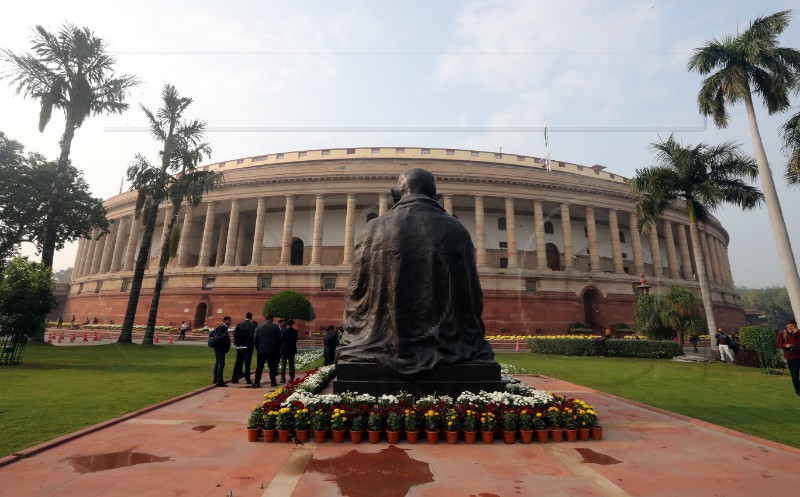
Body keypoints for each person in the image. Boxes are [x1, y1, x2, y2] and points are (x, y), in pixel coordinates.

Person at [337, 168, 495, 377]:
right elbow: (471, 294)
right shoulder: (457, 230)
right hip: (450, 345)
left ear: (395, 195)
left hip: (376, 345)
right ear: (435, 197)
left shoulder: (371, 229)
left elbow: (355, 292)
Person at [252, 313, 282, 388]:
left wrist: (258, 348)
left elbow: (256, 339)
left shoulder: (259, 326)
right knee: (272, 367)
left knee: (259, 367)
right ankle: (273, 381)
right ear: (272, 319)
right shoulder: (275, 327)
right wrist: (277, 350)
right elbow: (278, 340)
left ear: (265, 318)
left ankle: (256, 382)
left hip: (261, 350)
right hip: (272, 350)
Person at [775, 319, 800, 399]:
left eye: (794, 325)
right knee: (795, 376)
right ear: (787, 325)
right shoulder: (783, 333)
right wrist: (786, 345)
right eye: (791, 325)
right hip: (791, 357)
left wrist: (797, 332)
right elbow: (778, 343)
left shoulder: (798, 332)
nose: (792, 327)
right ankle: (798, 391)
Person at [231, 312, 257, 384]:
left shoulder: (239, 324)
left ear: (245, 316)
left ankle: (234, 378)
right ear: (251, 317)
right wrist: (246, 344)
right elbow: (251, 336)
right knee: (247, 363)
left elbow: (235, 335)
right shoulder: (252, 325)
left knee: (238, 363)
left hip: (240, 347)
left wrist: (239, 344)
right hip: (248, 347)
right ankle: (248, 379)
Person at [210, 316, 232, 387]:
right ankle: (219, 381)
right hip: (220, 349)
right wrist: (224, 345)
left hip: (218, 348)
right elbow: (221, 338)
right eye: (229, 321)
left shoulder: (221, 327)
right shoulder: (222, 328)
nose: (230, 322)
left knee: (217, 363)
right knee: (221, 364)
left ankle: (216, 379)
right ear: (225, 321)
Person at [280, 319, 299, 383]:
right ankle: (292, 377)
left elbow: (281, 339)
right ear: (292, 324)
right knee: (291, 364)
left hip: (284, 349)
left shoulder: (284, 331)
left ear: (287, 324)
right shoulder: (295, 331)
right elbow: (296, 340)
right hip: (292, 349)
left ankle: (283, 378)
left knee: (284, 364)